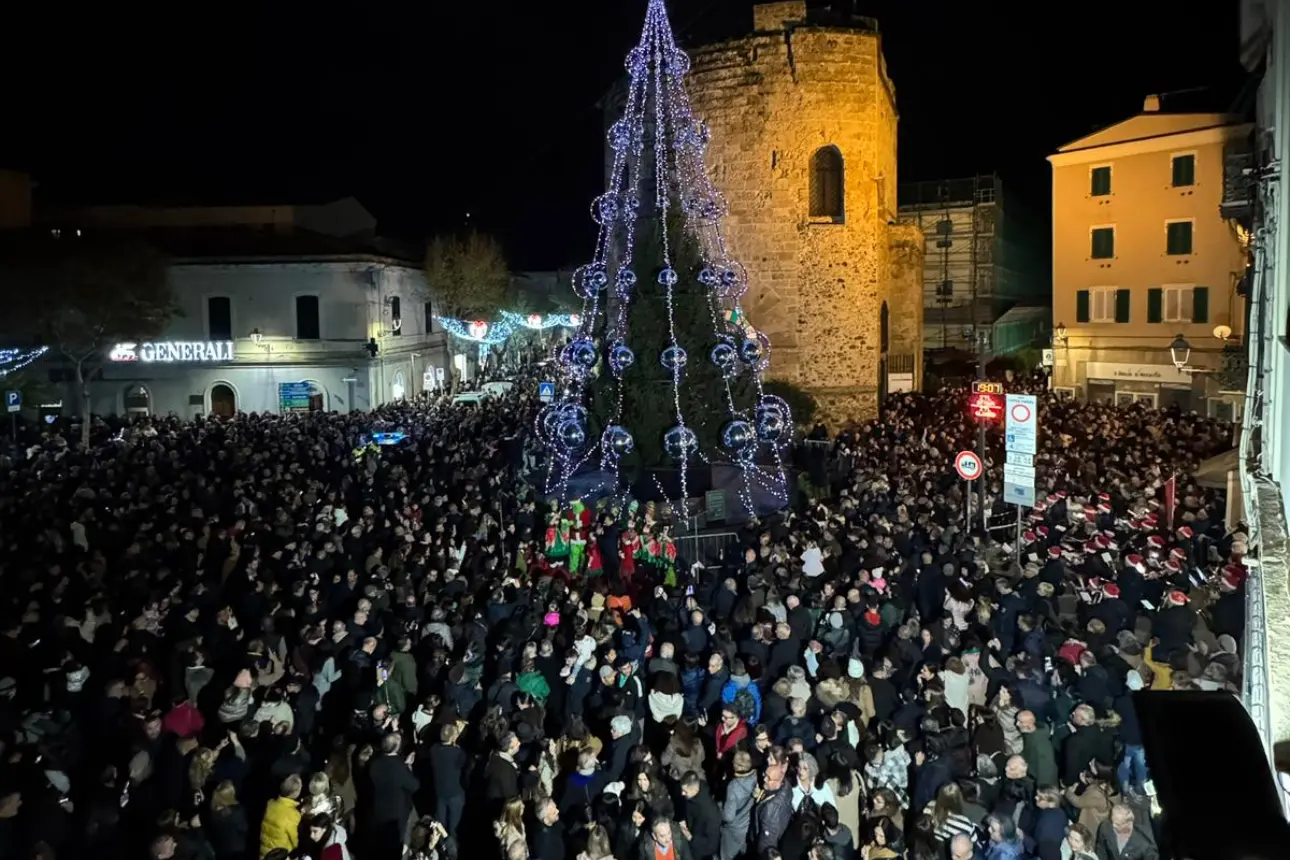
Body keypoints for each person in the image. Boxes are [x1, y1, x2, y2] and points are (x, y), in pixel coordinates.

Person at [259, 775, 302, 859]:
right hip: (280, 855)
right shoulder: (292, 814)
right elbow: (294, 839)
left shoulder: (270, 804)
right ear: (295, 792)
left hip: (264, 852)